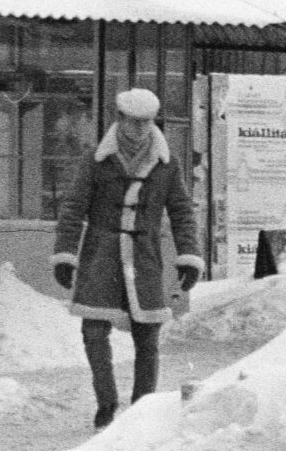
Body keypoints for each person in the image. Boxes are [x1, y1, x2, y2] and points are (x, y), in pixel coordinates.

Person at [51, 87, 204, 430]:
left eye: (147, 122)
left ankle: (141, 409)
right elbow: (74, 207)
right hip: (100, 255)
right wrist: (65, 254)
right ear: (119, 119)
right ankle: (106, 402)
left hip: (145, 257)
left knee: (147, 336)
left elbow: (181, 212)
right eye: (134, 122)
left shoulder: (167, 164)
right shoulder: (96, 160)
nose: (140, 129)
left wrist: (189, 256)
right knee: (93, 331)